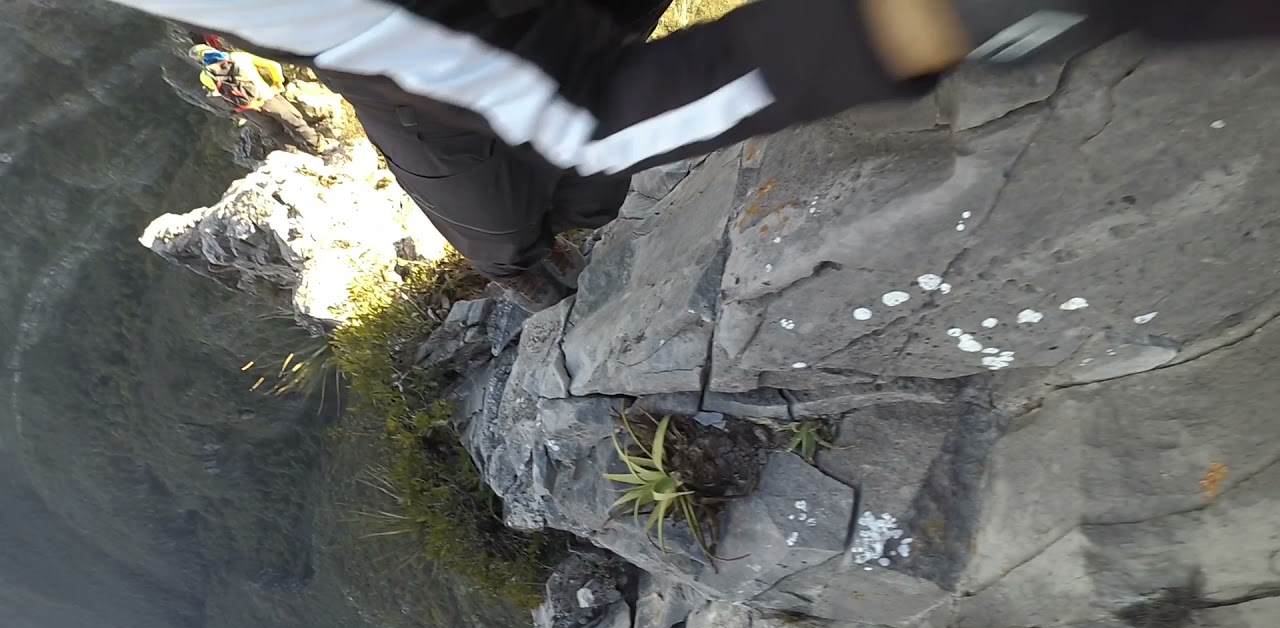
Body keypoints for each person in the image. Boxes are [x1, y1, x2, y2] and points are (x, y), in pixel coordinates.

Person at [115, 0, 1279, 310]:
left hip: (429, 55)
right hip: (419, 43)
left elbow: (593, 116)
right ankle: (516, 255)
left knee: (531, 184)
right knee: (498, 175)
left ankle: (520, 259)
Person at [188, 44, 325, 154]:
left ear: (200, 60)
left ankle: (294, 154)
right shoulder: (238, 57)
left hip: (248, 109)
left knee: (275, 132)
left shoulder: (205, 76)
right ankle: (318, 146)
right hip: (267, 98)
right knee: (296, 123)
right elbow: (274, 66)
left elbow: (217, 98)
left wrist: (238, 110)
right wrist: (278, 83)